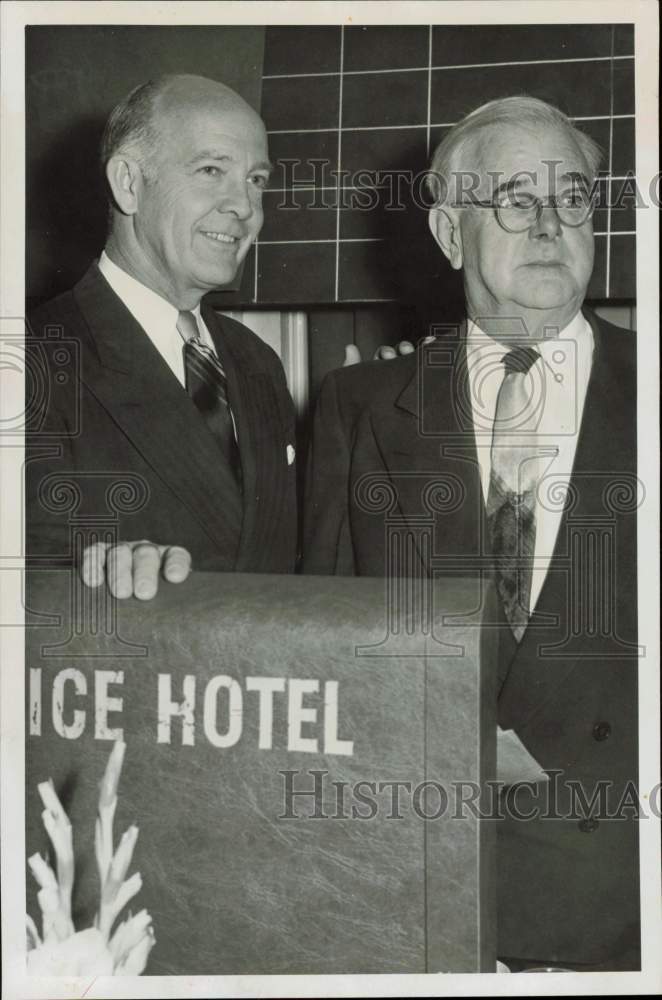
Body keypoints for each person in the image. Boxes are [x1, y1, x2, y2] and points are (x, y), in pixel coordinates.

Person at [303, 96, 639, 970]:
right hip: (420, 896)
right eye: (516, 199)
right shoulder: (362, 407)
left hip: (628, 906)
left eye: (572, 198)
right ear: (451, 234)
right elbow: (320, 664)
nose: (550, 222)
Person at [27, 74, 298, 597]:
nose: (244, 207)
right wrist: (96, 575)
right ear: (128, 182)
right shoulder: (31, 359)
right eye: (211, 170)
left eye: (256, 180)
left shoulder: (257, 362)